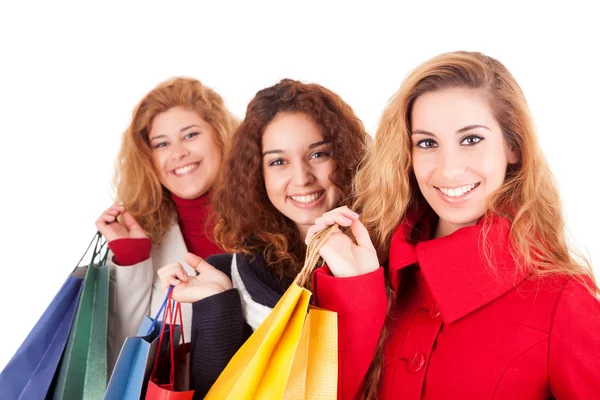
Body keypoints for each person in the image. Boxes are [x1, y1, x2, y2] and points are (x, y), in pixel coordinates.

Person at [307, 51, 600, 399]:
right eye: (427, 143)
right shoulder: (374, 270)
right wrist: (356, 292)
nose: (448, 170)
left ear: (513, 146)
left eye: (471, 140)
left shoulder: (564, 299)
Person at [157, 78, 370, 397]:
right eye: (278, 161)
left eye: (318, 154)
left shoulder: (388, 253)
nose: (301, 178)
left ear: (346, 155)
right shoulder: (229, 272)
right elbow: (214, 393)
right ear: (259, 174)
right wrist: (218, 305)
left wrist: (358, 283)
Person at [95, 77, 238, 370]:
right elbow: (124, 361)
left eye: (190, 135)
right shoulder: (143, 238)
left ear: (220, 136)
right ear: (149, 158)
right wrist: (132, 258)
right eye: (162, 143)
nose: (177, 153)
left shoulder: (269, 215)